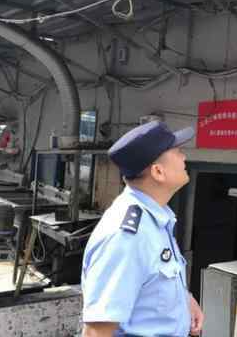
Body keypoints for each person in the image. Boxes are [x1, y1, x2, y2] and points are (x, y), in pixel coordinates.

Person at [81, 121, 204, 337]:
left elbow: (153, 280)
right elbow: (96, 331)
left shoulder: (156, 217)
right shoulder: (127, 236)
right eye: (177, 152)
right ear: (158, 171)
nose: (184, 157)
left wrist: (185, 300)